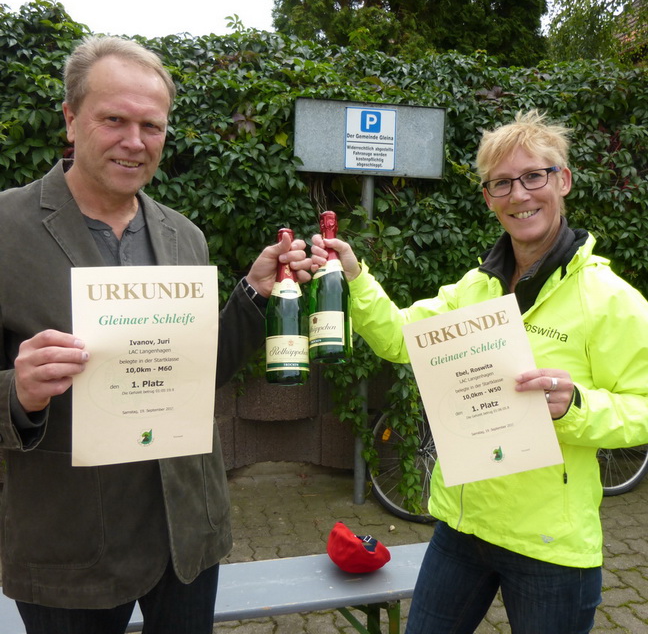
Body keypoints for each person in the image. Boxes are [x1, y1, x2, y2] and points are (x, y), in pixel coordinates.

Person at [0, 35, 313, 634]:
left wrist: (253, 293)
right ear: (70, 119)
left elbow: (196, 373)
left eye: (152, 126)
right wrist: (19, 391)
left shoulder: (183, 235)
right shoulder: (7, 229)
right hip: (73, 544)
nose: (135, 141)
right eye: (114, 120)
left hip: (186, 534)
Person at [311, 110, 648, 633]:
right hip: (462, 527)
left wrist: (578, 406)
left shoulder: (611, 300)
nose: (520, 194)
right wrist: (354, 276)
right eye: (502, 183)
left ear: (563, 180)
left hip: (550, 546)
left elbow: (642, 407)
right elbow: (401, 338)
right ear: (489, 199)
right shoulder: (477, 287)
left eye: (534, 176)